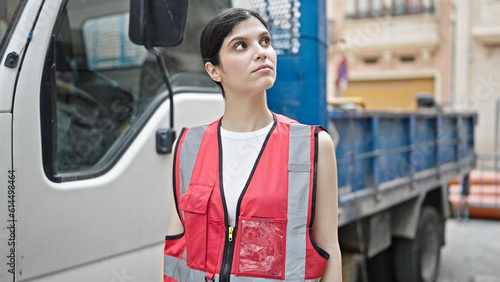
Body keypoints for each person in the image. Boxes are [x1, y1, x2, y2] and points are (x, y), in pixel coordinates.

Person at [160, 7, 341, 282]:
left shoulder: (313, 146)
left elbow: (329, 250)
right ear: (214, 70)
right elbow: (175, 247)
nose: (261, 52)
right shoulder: (186, 147)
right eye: (241, 45)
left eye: (265, 41)